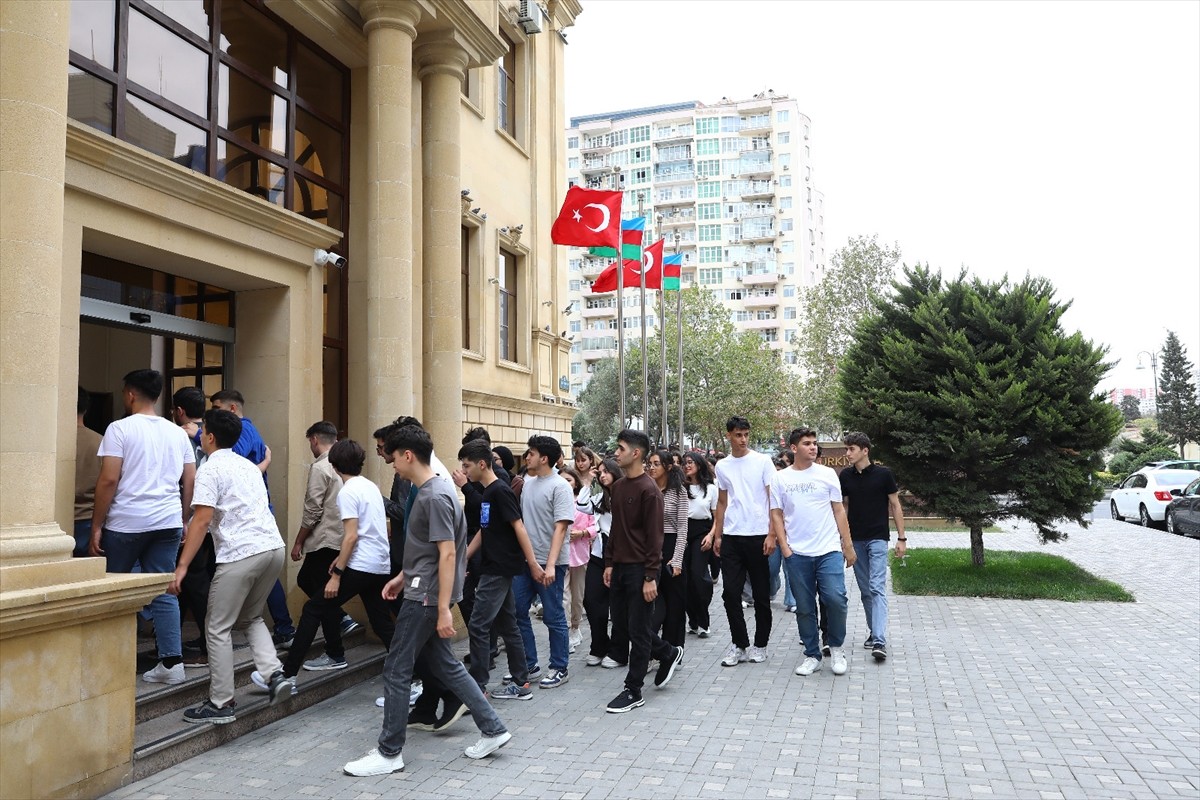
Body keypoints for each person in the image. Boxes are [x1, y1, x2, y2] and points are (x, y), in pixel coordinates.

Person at [344, 426, 510, 777]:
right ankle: (493, 728)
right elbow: (431, 551)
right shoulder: (434, 490)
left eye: (393, 457)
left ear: (408, 455)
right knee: (447, 666)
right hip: (423, 589)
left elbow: (447, 554)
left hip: (425, 597)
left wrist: (442, 608)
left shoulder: (433, 496)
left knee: (396, 669)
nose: (391, 464)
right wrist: (402, 577)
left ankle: (389, 752)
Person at [168, 409, 293, 722]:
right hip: (273, 548)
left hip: (240, 554)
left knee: (217, 627)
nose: (200, 434)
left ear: (209, 437)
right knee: (251, 617)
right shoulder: (248, 466)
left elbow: (202, 520)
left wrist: (182, 566)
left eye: (203, 430)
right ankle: (275, 674)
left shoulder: (210, 469)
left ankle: (221, 702)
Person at [603, 429, 684, 713]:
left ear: (636, 453)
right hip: (620, 567)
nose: (616, 453)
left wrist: (651, 576)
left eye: (621, 448)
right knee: (624, 625)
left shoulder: (649, 491)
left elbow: (655, 538)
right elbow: (616, 529)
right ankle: (668, 652)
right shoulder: (619, 487)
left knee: (638, 630)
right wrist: (609, 562)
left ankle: (633, 689)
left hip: (642, 569)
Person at [209, 389, 295, 648]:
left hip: (247, 516)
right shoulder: (247, 430)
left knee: (260, 579)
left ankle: (283, 627)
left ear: (232, 409)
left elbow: (233, 465)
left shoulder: (243, 429)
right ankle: (282, 628)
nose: (212, 414)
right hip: (250, 515)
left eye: (216, 408)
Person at [457, 438, 542, 700]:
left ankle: (478, 687)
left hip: (498, 568)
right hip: (494, 566)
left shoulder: (499, 491)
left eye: (467, 465)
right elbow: (485, 530)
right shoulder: (487, 493)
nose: (464, 471)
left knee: (478, 625)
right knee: (508, 624)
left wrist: (532, 563)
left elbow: (519, 527)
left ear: (482, 464)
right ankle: (521, 682)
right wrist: (464, 557)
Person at [772, 427, 857, 677]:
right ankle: (812, 654)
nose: (813, 447)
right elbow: (776, 513)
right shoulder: (781, 478)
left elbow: (839, 510)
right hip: (797, 553)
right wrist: (785, 548)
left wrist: (847, 545)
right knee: (805, 607)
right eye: (807, 443)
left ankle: (836, 647)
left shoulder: (827, 474)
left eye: (814, 443)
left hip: (828, 549)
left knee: (836, 599)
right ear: (793, 448)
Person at [702, 415, 776, 667]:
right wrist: (718, 535)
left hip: (758, 535)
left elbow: (773, 499)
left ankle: (761, 645)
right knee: (730, 594)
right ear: (729, 436)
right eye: (738, 435)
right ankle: (739, 644)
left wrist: (772, 533)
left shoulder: (763, 461)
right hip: (732, 536)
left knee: (762, 595)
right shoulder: (723, 466)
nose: (743, 439)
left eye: (746, 434)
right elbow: (722, 502)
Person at [288, 421, 357, 670]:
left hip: (324, 538)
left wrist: (298, 541)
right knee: (317, 588)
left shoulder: (320, 467)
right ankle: (339, 629)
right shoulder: (343, 464)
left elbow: (312, 509)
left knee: (317, 592)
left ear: (314, 440)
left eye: (310, 442)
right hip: (340, 536)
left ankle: (335, 649)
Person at [511, 435, 574, 688]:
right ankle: (529, 664)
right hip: (527, 562)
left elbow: (561, 528)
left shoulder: (560, 486)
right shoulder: (527, 484)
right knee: (517, 611)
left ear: (544, 458)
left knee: (553, 615)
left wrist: (549, 565)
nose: (527, 457)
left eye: (531, 453)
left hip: (552, 563)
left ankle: (559, 667)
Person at [839, 432, 906, 662]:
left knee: (877, 587)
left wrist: (902, 538)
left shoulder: (883, 474)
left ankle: (879, 640)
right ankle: (873, 632)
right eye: (846, 449)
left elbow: (895, 505)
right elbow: (844, 507)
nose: (847, 453)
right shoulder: (845, 476)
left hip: (878, 538)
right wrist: (843, 539)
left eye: (851, 449)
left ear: (865, 450)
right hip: (855, 540)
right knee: (866, 590)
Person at [170, 386, 217, 667]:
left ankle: (206, 645)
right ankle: (173, 645)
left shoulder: (178, 437)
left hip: (188, 520)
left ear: (180, 411)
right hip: (212, 522)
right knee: (192, 583)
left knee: (193, 583)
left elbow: (183, 480)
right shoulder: (214, 436)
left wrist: (182, 517)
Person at [584, 458, 624, 668]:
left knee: (618, 606)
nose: (602, 475)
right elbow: (582, 506)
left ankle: (618, 651)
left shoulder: (626, 494)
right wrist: (587, 481)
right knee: (592, 601)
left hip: (622, 557)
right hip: (599, 555)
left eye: (606, 471)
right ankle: (599, 646)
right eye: (600, 472)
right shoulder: (599, 498)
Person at [647, 450, 688, 648]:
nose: (652, 468)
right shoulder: (647, 489)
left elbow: (682, 527)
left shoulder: (678, 491)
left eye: (656, 464)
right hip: (650, 546)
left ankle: (674, 649)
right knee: (653, 601)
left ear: (668, 467)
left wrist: (678, 558)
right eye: (650, 464)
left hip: (671, 545)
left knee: (675, 603)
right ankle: (653, 648)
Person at [558, 466, 596, 653]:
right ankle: (565, 632)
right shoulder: (554, 501)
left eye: (569, 480)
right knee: (563, 596)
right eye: (562, 480)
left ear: (575, 483)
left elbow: (595, 526)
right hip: (559, 555)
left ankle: (575, 627)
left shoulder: (583, 501)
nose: (565, 483)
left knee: (577, 596)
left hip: (580, 555)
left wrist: (582, 533)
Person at [682, 451, 717, 638]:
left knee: (699, 577)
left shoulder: (711, 488)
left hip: (702, 532)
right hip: (682, 532)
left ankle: (703, 620)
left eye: (691, 462)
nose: (687, 465)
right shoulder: (680, 487)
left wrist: (711, 536)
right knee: (685, 579)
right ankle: (693, 620)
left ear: (699, 464)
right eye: (685, 463)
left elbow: (717, 517)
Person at [74, 386, 103, 557]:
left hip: (54, 519)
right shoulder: (101, 442)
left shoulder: (51, 444)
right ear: (86, 409)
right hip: (89, 517)